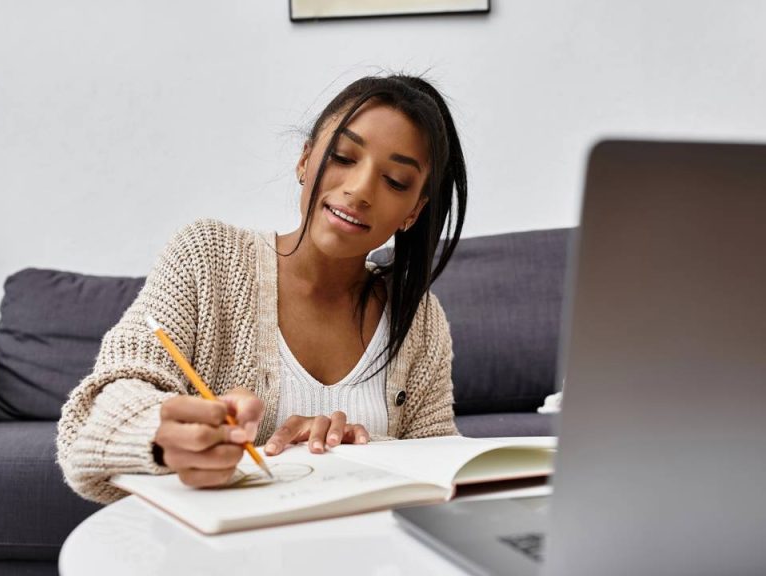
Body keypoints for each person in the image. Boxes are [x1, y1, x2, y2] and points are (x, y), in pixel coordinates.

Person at [57, 73, 468, 504]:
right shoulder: (207, 257)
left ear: (413, 212)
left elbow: (441, 468)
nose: (360, 189)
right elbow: (93, 422)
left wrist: (356, 451)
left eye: (396, 181)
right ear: (304, 160)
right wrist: (164, 436)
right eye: (344, 157)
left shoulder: (420, 319)